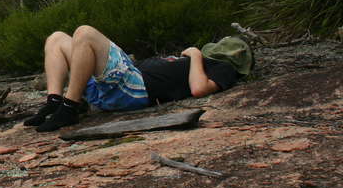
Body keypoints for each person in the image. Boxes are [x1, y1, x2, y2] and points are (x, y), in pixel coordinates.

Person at [25, 25, 240, 132]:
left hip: (135, 89)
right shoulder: (196, 61)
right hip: (116, 87)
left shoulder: (222, 67)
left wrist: (195, 54)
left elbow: (199, 89)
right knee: (56, 38)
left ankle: (69, 108)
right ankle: (54, 102)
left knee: (85, 33)